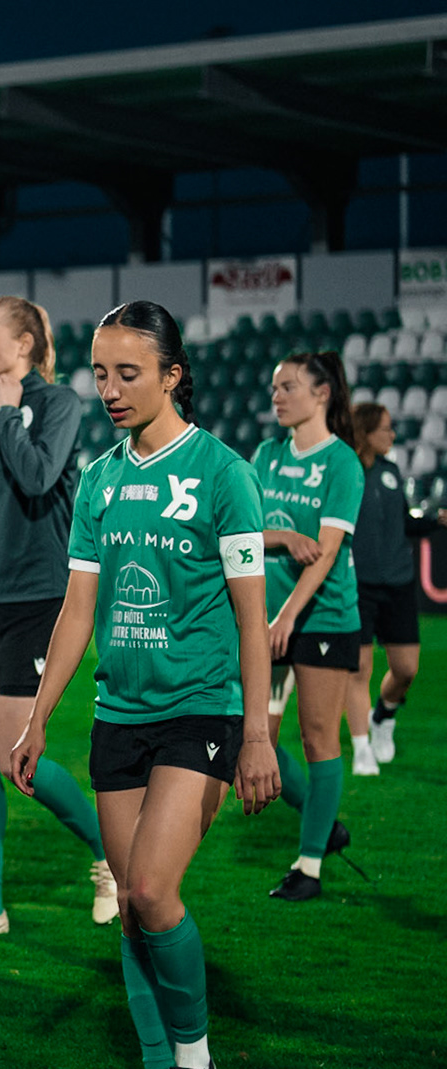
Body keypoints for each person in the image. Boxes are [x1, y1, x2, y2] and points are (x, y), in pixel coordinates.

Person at [13, 300, 277, 1069]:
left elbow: (250, 620)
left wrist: (260, 733)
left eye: (131, 373)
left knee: (156, 892)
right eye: (101, 373)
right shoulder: (98, 481)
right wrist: (39, 717)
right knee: (129, 905)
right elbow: (77, 610)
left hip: (200, 710)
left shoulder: (225, 473)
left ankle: (197, 1067)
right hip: (117, 713)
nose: (113, 389)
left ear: (172, 375)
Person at [0, 296, 114, 937]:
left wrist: (7, 415)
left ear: (25, 344)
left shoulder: (60, 404)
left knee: (16, 758)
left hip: (37, 601)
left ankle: (111, 855)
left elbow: (37, 478)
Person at [253, 353, 364, 901]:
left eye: (288, 387)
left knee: (318, 737)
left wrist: (288, 615)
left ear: (321, 394)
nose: (277, 396)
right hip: (269, 618)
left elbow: (327, 552)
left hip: (322, 616)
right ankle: (325, 821)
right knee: (254, 741)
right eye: (274, 388)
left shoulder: (342, 463)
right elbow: (244, 530)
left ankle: (310, 866)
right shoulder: (267, 455)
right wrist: (279, 537)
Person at [344, 401, 443, 770]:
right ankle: (362, 751)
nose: (392, 434)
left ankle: (382, 717)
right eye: (385, 428)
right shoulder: (345, 471)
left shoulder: (390, 471)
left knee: (406, 670)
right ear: (367, 432)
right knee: (358, 670)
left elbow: (403, 521)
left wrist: (434, 520)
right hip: (357, 586)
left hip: (398, 583)